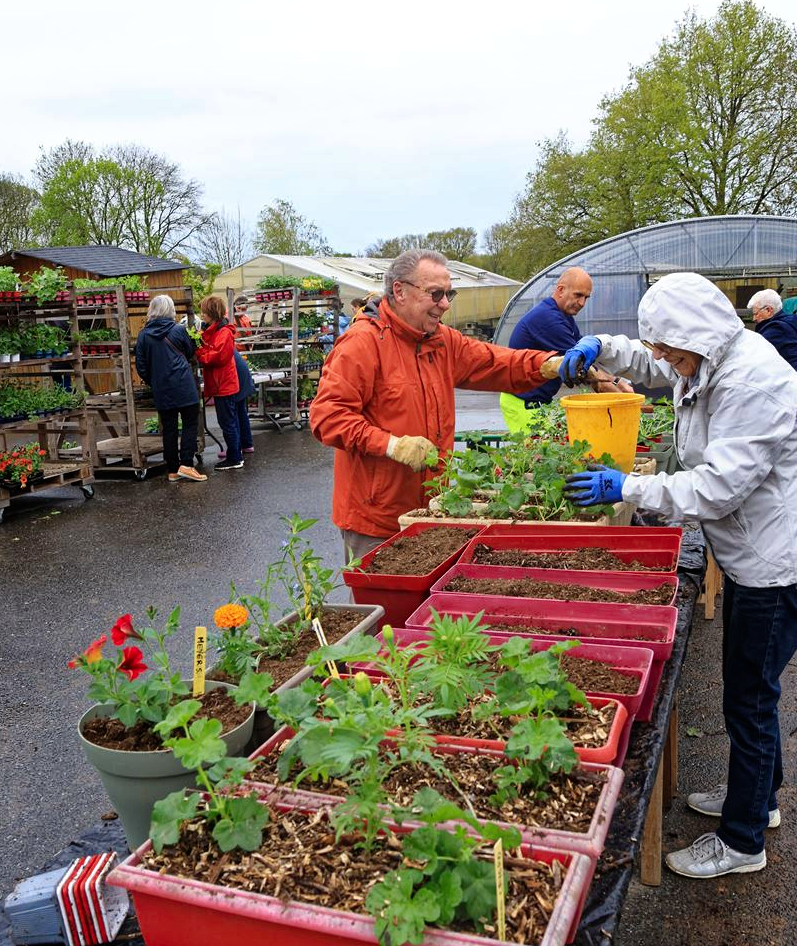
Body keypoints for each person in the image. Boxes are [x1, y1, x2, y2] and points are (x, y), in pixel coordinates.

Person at [558, 272, 797, 880]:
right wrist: (603, 350)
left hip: (774, 565)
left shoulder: (754, 382)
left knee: (750, 697)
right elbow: (652, 359)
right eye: (661, 348)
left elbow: (715, 489)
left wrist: (627, 486)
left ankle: (743, 841)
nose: (664, 361)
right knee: (751, 690)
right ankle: (757, 799)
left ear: (697, 336)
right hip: (752, 553)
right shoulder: (710, 355)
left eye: (671, 348)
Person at [310, 249, 563, 562]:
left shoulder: (441, 341)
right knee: (384, 604)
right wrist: (391, 445)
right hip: (377, 519)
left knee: (428, 605)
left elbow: (498, 362)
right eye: (436, 294)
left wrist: (550, 364)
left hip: (431, 509)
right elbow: (328, 417)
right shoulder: (363, 343)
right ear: (400, 291)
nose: (444, 304)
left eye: (449, 294)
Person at [500, 267, 631, 431]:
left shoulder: (562, 316)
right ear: (561, 290)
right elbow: (588, 372)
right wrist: (628, 403)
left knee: (551, 450)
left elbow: (588, 356)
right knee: (538, 455)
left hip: (536, 400)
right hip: (523, 402)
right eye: (578, 295)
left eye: (586, 297)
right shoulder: (548, 320)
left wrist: (617, 381)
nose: (582, 303)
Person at [134, 295, 207, 483]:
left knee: (169, 429)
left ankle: (173, 470)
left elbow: (141, 366)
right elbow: (191, 352)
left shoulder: (143, 335)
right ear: (170, 310)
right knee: (190, 423)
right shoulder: (178, 330)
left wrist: (155, 380)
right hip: (184, 385)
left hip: (162, 389)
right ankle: (187, 465)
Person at [196, 295, 244, 471]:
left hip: (224, 384)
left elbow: (217, 357)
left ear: (212, 313)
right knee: (229, 421)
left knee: (228, 422)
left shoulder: (223, 333)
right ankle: (235, 454)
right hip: (222, 383)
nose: (202, 316)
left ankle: (235, 457)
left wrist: (199, 353)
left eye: (204, 312)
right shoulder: (216, 330)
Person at [216, 350, 256, 460]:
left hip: (234, 376)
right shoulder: (225, 336)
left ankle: (235, 449)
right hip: (241, 374)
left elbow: (216, 358)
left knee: (233, 413)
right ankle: (246, 445)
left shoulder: (218, 337)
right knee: (240, 411)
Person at [747, 289, 797, 372]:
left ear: (768, 310)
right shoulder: (790, 320)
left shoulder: (777, 329)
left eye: (756, 314)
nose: (754, 318)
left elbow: (752, 354)